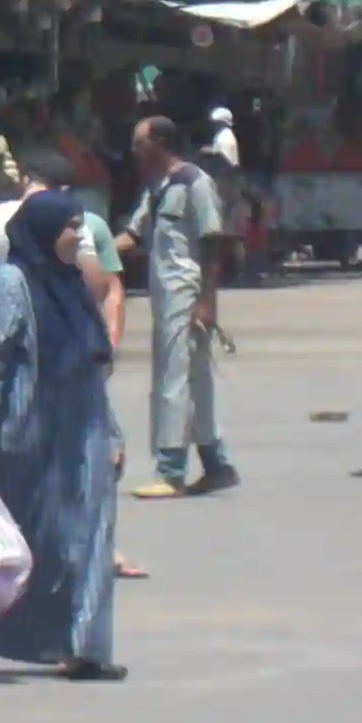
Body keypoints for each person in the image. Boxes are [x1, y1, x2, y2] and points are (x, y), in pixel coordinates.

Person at [0, 188, 125, 680]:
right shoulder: (10, 285)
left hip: (84, 428)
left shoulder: (72, 287)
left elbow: (90, 365)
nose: (78, 236)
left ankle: (86, 648)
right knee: (20, 546)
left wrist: (112, 431)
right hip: (30, 432)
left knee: (92, 533)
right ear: (43, 232)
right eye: (70, 227)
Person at [121, 115, 235, 498]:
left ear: (160, 142)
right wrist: (87, 252)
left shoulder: (194, 182)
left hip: (187, 293)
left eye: (139, 142)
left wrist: (207, 303)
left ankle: (170, 471)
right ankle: (217, 465)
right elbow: (131, 236)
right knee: (196, 379)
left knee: (173, 378)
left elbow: (213, 242)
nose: (134, 150)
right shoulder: (158, 188)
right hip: (164, 295)